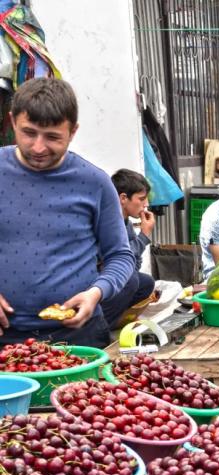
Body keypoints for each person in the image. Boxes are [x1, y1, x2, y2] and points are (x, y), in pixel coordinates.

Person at [0, 78, 134, 348]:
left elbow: (120, 256)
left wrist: (96, 292)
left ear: (73, 131)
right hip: (5, 337)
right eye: (29, 133)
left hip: (78, 337)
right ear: (12, 121)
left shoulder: (95, 183)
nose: (38, 147)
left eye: (52, 137)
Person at [100, 170, 157, 329]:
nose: (146, 205)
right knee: (131, 281)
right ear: (123, 198)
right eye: (141, 199)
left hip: (113, 277)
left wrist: (141, 239)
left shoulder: (127, 223)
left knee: (146, 282)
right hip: (97, 279)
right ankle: (99, 326)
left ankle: (116, 321)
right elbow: (118, 256)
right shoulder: (107, 222)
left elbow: (134, 262)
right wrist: (144, 235)